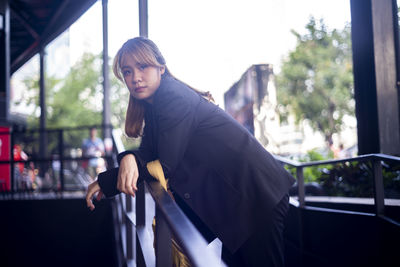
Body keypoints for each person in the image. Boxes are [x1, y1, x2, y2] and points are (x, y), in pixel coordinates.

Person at [86, 37, 295, 267]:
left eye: (142, 67)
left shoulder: (172, 96)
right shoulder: (155, 107)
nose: (135, 77)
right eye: (127, 71)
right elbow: (147, 152)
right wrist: (125, 160)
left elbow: (164, 165)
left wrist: (114, 175)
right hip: (238, 201)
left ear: (161, 67)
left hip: (255, 195)